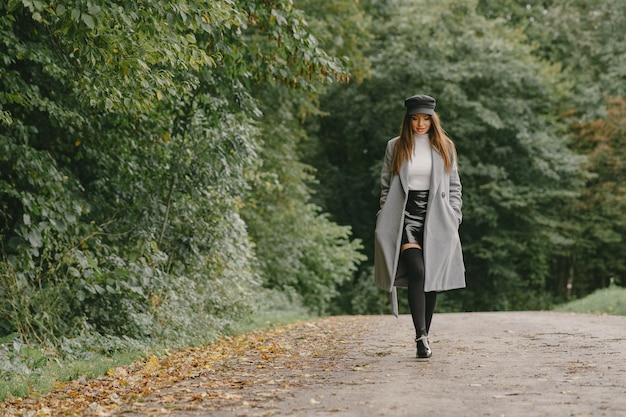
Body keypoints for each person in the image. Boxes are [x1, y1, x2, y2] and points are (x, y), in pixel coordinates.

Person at [374, 94, 465, 359]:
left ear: (432, 119)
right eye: (415, 119)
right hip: (405, 216)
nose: (420, 124)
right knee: (417, 269)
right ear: (408, 120)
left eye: (425, 118)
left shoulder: (444, 146)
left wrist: (454, 216)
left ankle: (424, 335)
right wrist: (385, 215)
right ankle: (420, 336)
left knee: (431, 276)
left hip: (436, 216)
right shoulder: (395, 146)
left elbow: (454, 186)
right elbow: (386, 186)